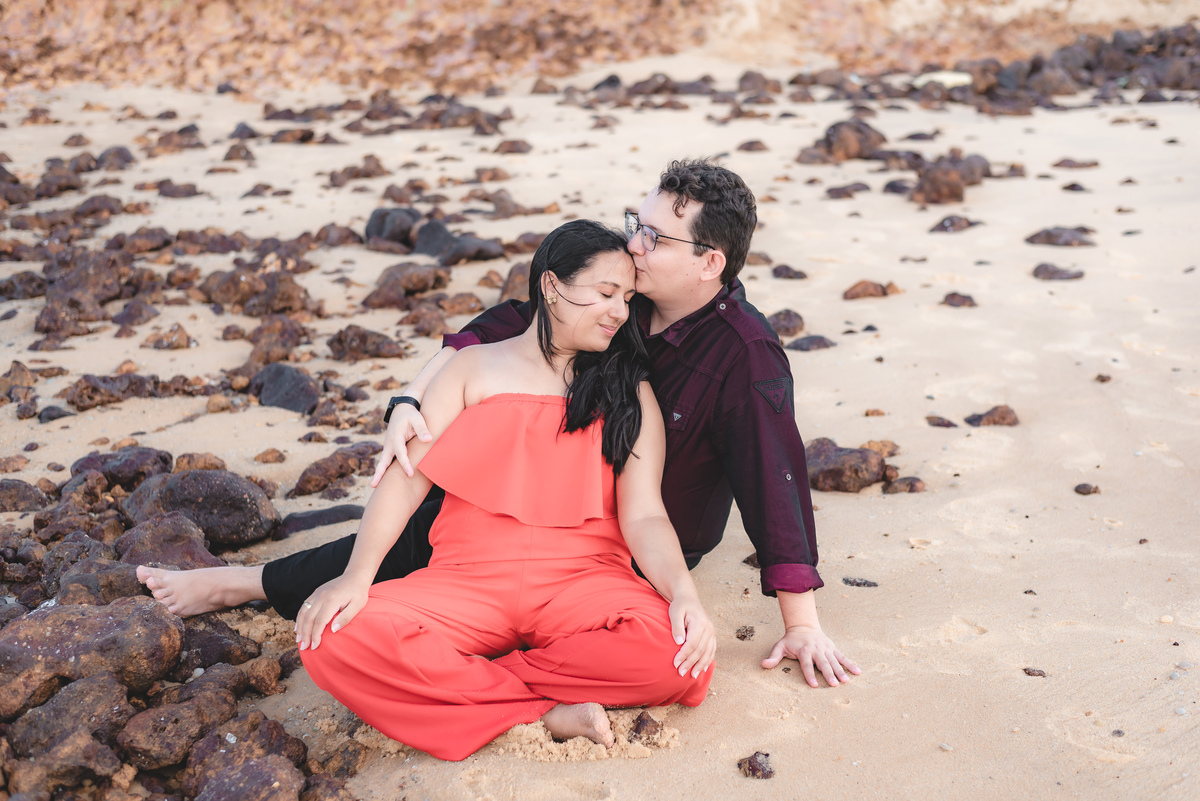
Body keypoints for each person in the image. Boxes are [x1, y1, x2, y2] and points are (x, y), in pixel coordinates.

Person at [139, 159, 859, 690]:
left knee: (435, 545)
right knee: (427, 527)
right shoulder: (624, 293)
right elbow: (508, 326)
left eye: (653, 238)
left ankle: (478, 663)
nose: (633, 244)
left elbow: (777, 482)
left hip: (631, 547)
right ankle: (251, 582)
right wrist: (411, 399)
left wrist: (800, 624)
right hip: (521, 518)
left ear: (710, 262)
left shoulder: (744, 355)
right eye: (636, 224)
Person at [297, 220, 712, 760]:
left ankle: (480, 686)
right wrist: (356, 577)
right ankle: (543, 710)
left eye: (628, 299)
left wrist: (684, 593)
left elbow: (645, 516)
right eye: (606, 293)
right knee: (332, 636)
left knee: (679, 651)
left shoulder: (630, 391)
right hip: (466, 581)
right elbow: (405, 480)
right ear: (551, 286)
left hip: (583, 582)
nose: (619, 311)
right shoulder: (472, 368)